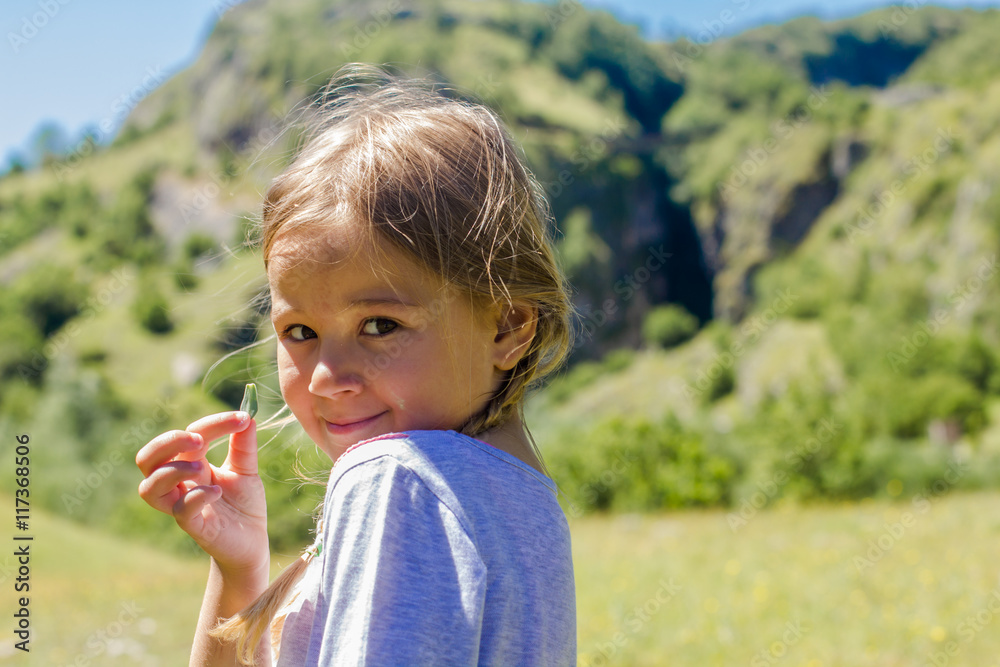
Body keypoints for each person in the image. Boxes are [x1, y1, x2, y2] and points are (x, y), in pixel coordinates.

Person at [135, 65, 577, 667]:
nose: (324, 377)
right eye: (300, 333)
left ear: (507, 327)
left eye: (380, 325)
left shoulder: (398, 478)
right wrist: (240, 570)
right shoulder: (526, 507)